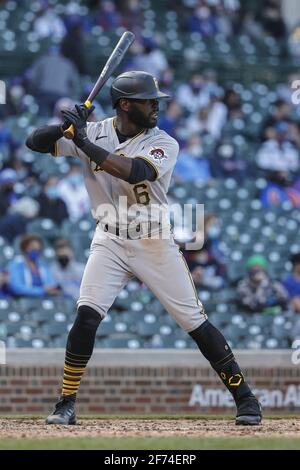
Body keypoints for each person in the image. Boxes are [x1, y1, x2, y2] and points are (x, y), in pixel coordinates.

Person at [26, 70, 262, 426]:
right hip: (109, 237)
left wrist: (83, 140)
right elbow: (33, 142)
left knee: (194, 322)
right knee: (86, 316)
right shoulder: (98, 129)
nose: (156, 106)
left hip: (153, 239)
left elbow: (134, 171)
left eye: (156, 101)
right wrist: (65, 127)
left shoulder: (164, 141)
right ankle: (66, 403)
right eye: (148, 101)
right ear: (124, 104)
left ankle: (246, 399)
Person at [8, 234, 62, 298]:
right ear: (24, 248)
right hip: (23, 302)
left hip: (44, 301)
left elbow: (51, 284)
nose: (35, 250)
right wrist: (41, 291)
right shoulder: (16, 265)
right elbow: (17, 288)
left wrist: (53, 289)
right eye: (33, 248)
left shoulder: (43, 266)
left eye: (38, 249)